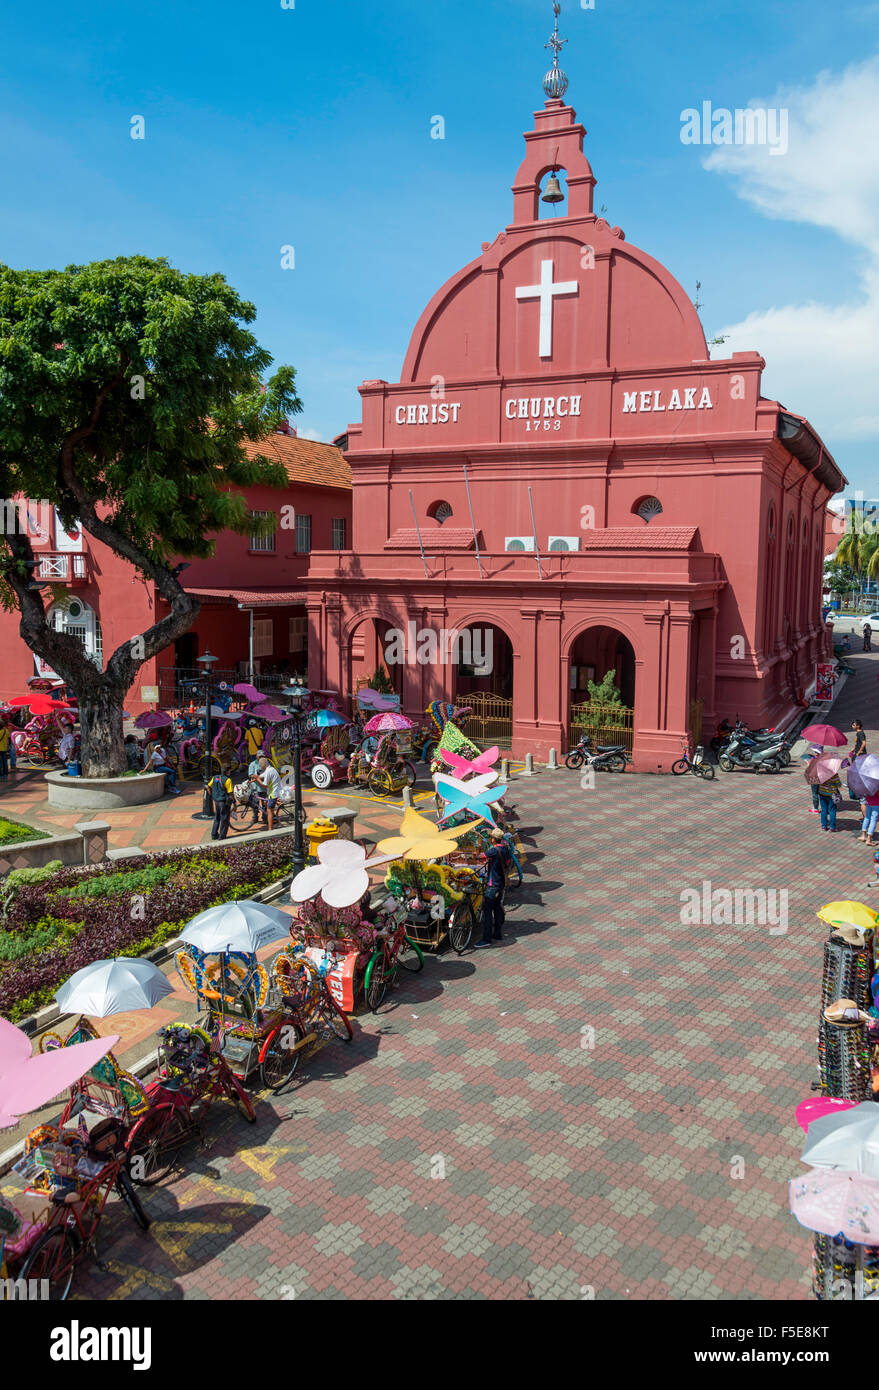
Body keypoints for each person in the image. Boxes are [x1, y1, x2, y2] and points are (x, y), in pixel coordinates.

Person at [474, 828, 512, 948]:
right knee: (497, 907)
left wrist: (479, 846)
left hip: (492, 885)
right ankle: (497, 933)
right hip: (501, 884)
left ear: (493, 839)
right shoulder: (506, 848)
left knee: (487, 911)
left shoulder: (494, 851)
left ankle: (486, 939)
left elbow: (479, 857)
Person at [256, 755, 281, 830]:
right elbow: (263, 775)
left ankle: (270, 829)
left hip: (273, 793)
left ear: (262, 766)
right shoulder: (270, 769)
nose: (260, 767)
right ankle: (274, 816)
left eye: (260, 766)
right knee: (266, 803)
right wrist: (256, 778)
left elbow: (265, 785)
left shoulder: (268, 772)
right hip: (276, 791)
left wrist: (258, 779)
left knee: (269, 811)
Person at [210, 771, 234, 840]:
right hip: (224, 802)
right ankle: (222, 836)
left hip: (216, 801)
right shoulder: (227, 780)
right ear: (228, 771)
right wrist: (234, 803)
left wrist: (213, 796)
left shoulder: (215, 777)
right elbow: (230, 793)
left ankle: (214, 835)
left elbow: (208, 786)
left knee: (217, 817)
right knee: (224, 819)